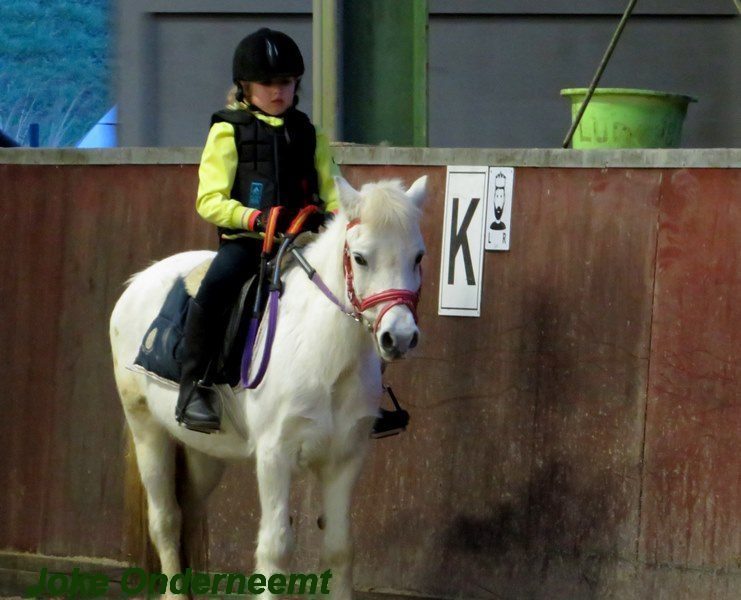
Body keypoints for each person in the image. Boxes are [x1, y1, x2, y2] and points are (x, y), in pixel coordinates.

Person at [175, 28, 337, 433]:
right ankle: (196, 386)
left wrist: (334, 216)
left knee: (356, 289)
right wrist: (255, 218)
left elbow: (331, 188)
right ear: (246, 87)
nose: (278, 92)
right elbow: (208, 200)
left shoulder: (310, 134)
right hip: (249, 244)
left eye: (286, 82)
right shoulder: (227, 131)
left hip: (305, 242)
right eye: (268, 84)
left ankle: (364, 392)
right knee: (215, 289)